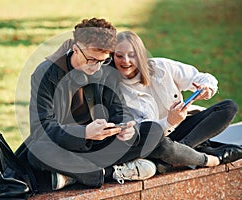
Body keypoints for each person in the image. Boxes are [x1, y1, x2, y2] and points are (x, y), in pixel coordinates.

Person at [24, 18, 163, 191]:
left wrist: (127, 127)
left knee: (153, 131)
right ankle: (109, 173)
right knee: (38, 150)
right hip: (64, 146)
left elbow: (119, 110)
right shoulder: (45, 73)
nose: (97, 67)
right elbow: (40, 129)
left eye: (102, 60)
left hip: (99, 145)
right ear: (75, 49)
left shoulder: (106, 69)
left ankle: (73, 174)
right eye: (91, 60)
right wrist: (84, 133)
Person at [112, 30, 242, 173]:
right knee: (164, 147)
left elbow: (203, 78)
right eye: (119, 56)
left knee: (229, 107)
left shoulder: (161, 67)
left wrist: (206, 88)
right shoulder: (114, 89)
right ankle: (194, 153)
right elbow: (141, 132)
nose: (126, 61)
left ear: (141, 55)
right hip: (158, 142)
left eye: (132, 55)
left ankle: (181, 154)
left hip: (184, 133)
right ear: (112, 57)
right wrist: (169, 121)